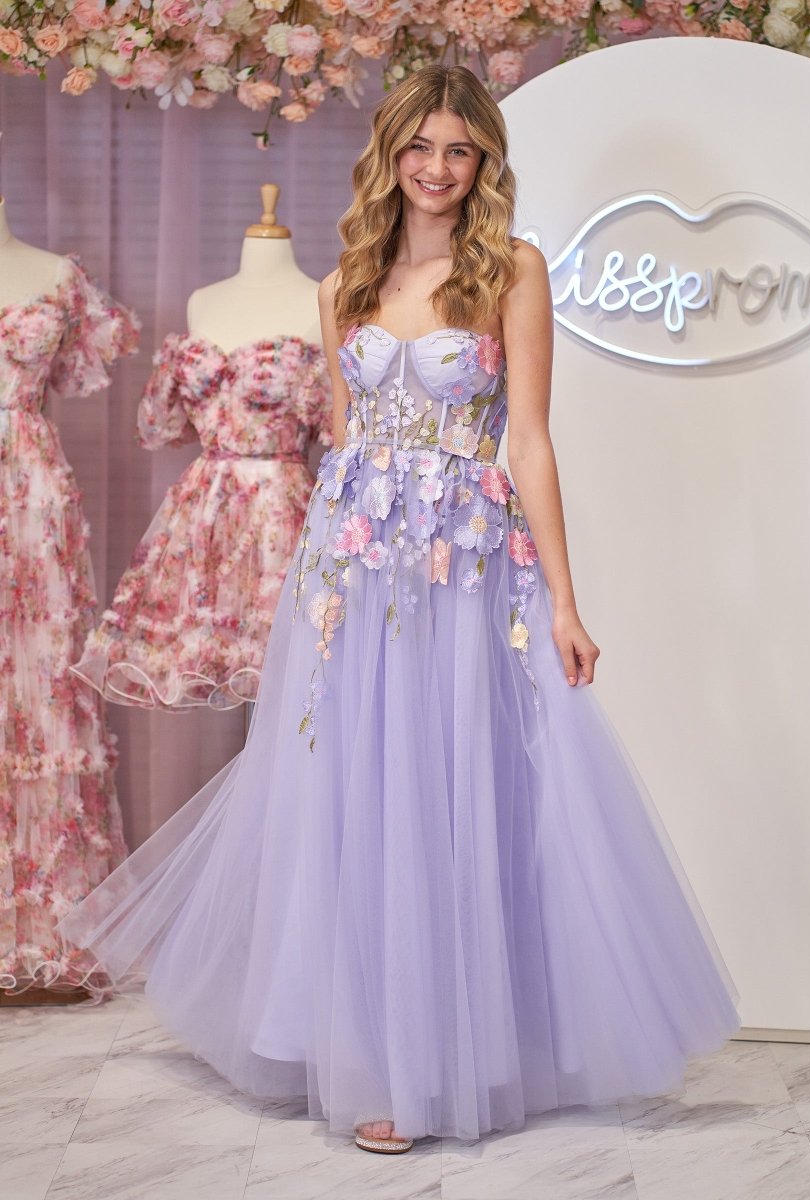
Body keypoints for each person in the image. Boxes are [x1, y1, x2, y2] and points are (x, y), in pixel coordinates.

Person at [58, 64, 741, 1156]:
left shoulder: (512, 270)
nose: (437, 167)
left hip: (469, 568)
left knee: (459, 789)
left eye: (460, 150)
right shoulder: (345, 284)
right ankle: (371, 1055)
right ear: (390, 154)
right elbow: (342, 447)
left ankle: (460, 1051)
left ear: (484, 164)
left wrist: (566, 602)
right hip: (354, 574)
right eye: (420, 146)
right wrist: (315, 588)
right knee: (360, 797)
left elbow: (529, 442)